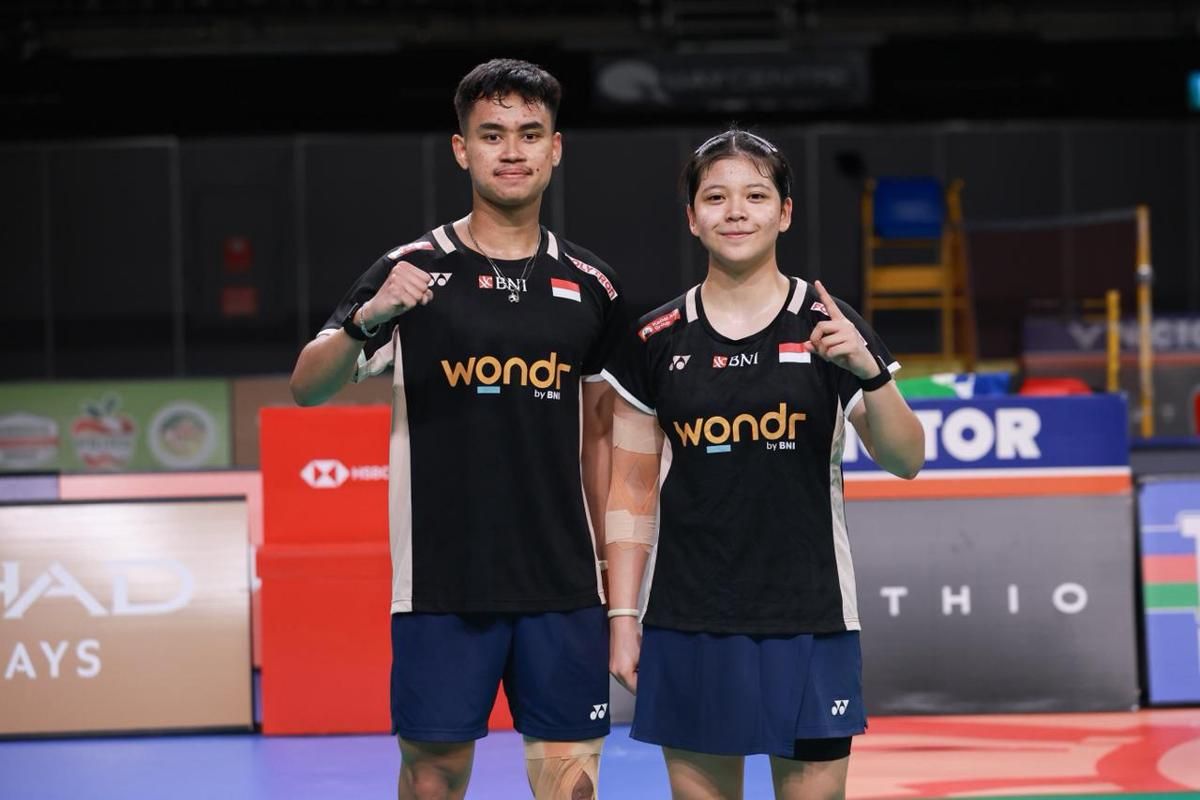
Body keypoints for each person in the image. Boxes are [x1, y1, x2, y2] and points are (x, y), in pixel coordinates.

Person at [290, 59, 626, 800]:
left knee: (571, 783)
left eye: (530, 134)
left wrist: (614, 577)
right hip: (441, 586)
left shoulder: (593, 285)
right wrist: (368, 316)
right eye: (492, 134)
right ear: (461, 149)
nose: (512, 151)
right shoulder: (409, 269)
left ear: (555, 149)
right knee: (433, 776)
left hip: (563, 587)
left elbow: (601, 438)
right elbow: (308, 386)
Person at [602, 129, 925, 800]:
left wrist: (869, 371)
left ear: (785, 213)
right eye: (715, 197)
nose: (736, 212)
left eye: (755, 196)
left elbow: (907, 459)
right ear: (692, 218)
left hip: (811, 619)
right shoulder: (655, 338)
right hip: (689, 621)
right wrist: (623, 617)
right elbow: (630, 492)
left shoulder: (829, 323)